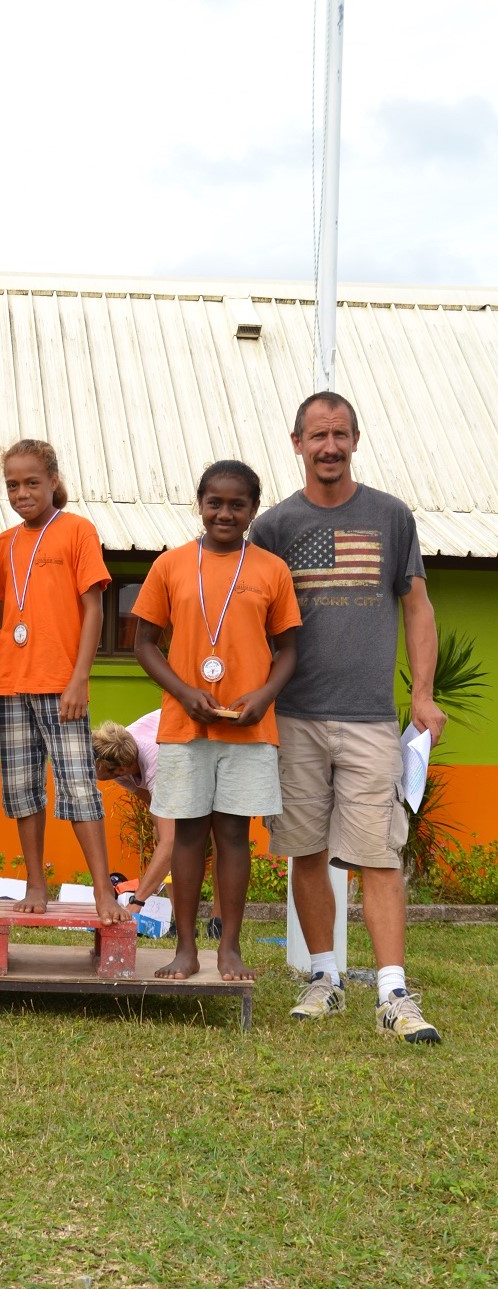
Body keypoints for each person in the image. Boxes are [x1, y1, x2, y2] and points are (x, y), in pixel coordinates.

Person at [249, 391, 446, 1043]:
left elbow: (417, 607)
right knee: (306, 851)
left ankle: (393, 994)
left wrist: (423, 695)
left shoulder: (390, 516)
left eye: (340, 434)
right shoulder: (272, 527)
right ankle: (325, 979)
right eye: (318, 435)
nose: (329, 446)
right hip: (293, 717)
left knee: (378, 854)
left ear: (355, 440)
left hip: (370, 720)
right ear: (297, 442)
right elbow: (253, 620)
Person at [133, 460, 301, 981]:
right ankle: (185, 948)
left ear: (253, 510)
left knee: (232, 835)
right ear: (200, 504)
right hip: (186, 726)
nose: (224, 513)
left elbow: (289, 650)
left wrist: (264, 696)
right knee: (187, 835)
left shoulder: (271, 569)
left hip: (249, 729)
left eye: (237, 505)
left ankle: (229, 947)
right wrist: (184, 692)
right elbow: (144, 644)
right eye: (215, 503)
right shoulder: (170, 565)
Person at [0, 439, 131, 923]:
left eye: (31, 483)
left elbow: (94, 609)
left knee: (79, 787)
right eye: (12, 485)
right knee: (22, 788)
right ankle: (35, 882)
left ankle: (103, 891)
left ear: (52, 481)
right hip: (10, 685)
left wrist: (79, 678)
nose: (21, 493)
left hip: (61, 684)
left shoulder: (77, 531)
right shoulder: (4, 544)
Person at [92, 710, 224, 934]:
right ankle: (182, 922)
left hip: (211, 747)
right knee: (167, 836)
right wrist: (161, 828)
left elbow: (170, 843)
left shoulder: (154, 762)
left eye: (93, 764)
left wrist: (136, 902)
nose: (88, 766)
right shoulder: (118, 755)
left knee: (219, 833)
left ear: (120, 769)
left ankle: (219, 921)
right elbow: (155, 804)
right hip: (182, 751)